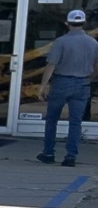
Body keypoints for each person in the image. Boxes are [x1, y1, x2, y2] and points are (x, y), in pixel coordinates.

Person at [37, 8, 98, 167]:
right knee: (75, 122)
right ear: (84, 23)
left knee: (52, 119)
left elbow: (51, 65)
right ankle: (71, 156)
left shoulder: (61, 41)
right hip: (83, 84)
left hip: (61, 83)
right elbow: (96, 65)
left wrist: (43, 86)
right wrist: (90, 78)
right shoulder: (93, 42)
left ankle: (48, 153)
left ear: (67, 23)